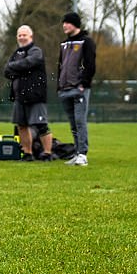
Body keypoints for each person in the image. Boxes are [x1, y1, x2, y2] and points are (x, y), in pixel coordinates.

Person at [4, 25, 52, 161]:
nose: (22, 37)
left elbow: (29, 63)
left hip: (36, 96)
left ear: (31, 36)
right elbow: (6, 71)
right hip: (19, 97)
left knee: (41, 125)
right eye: (19, 35)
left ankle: (47, 153)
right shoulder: (16, 53)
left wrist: (15, 66)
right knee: (22, 125)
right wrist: (18, 66)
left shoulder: (36, 51)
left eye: (24, 35)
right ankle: (27, 153)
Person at [57, 12, 97, 166]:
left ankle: (83, 154)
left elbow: (90, 65)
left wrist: (83, 83)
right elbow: (60, 66)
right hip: (65, 88)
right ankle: (76, 151)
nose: (64, 25)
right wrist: (59, 86)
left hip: (79, 88)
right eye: (63, 23)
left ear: (75, 24)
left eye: (67, 22)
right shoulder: (64, 44)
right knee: (73, 123)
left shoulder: (86, 42)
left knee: (80, 121)